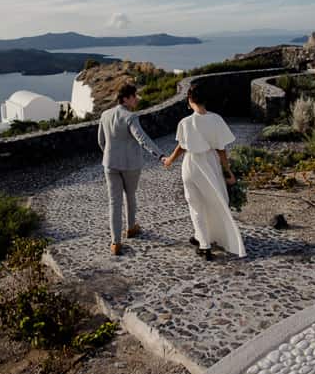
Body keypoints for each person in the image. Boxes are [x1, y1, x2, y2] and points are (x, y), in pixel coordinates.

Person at [164, 84, 246, 260]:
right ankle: (209, 238)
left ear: (190, 100)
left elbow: (182, 146)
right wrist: (228, 172)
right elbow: (221, 150)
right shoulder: (216, 119)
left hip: (191, 165)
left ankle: (204, 243)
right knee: (215, 200)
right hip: (210, 164)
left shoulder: (185, 123)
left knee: (195, 205)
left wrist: (170, 160)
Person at [98, 83, 167, 255]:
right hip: (130, 165)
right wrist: (160, 155)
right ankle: (130, 228)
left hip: (110, 164)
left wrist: (109, 154)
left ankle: (115, 242)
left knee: (114, 202)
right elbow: (142, 139)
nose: (136, 99)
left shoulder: (105, 114)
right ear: (126, 98)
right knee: (130, 195)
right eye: (134, 96)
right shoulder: (130, 116)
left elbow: (101, 141)